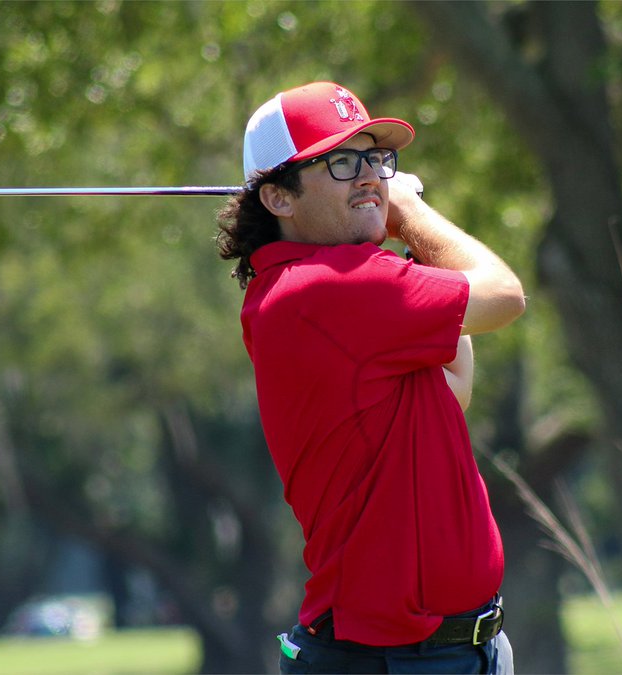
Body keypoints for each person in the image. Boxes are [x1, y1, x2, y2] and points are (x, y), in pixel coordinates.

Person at [218, 81, 524, 674]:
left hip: (460, 650)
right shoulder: (323, 289)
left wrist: (395, 231)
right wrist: (411, 214)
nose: (369, 177)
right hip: (392, 660)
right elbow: (505, 296)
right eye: (340, 161)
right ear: (278, 197)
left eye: (375, 159)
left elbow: (451, 387)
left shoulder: (336, 292)